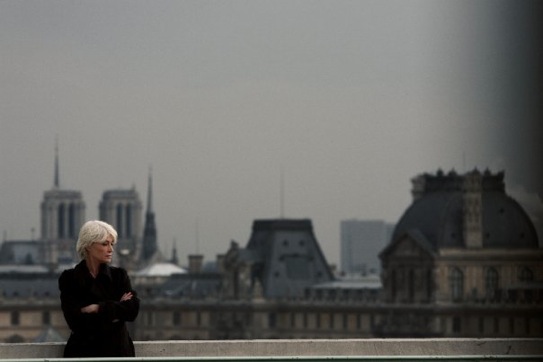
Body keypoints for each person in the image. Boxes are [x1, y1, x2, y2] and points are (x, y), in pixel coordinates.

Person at [58, 220, 140, 357]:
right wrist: (115, 312)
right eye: (105, 244)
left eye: (111, 244)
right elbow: (75, 322)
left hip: (117, 355)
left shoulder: (119, 276)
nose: (111, 249)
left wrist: (98, 308)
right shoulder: (69, 278)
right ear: (88, 245)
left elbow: (132, 311)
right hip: (84, 355)